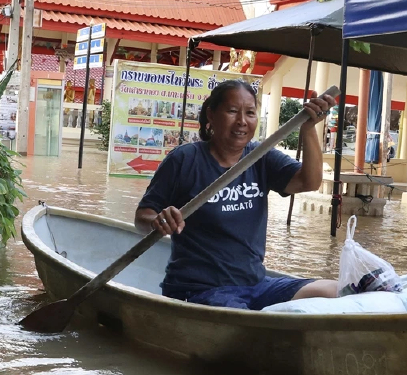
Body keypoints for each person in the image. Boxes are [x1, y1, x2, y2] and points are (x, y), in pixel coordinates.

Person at [136, 80, 338, 310]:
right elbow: (142, 217)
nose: (242, 121)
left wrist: (309, 128)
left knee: (335, 291)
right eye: (232, 111)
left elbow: (308, 182)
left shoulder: (261, 156)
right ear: (211, 115)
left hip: (255, 285)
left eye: (250, 113)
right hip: (198, 290)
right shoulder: (184, 160)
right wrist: (158, 221)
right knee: (240, 315)